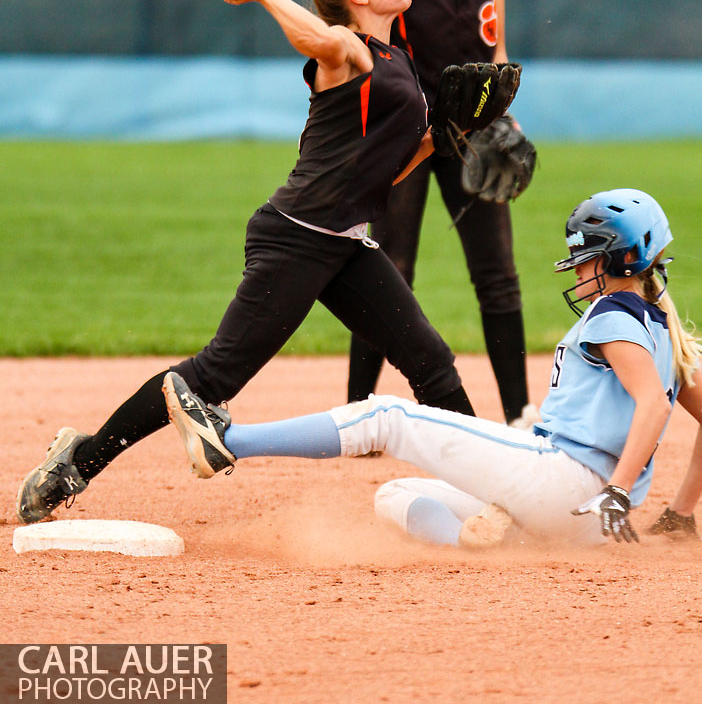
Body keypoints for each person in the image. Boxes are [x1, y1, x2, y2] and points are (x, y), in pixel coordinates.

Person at [16, 0, 487, 525]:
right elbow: (316, 36)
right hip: (295, 236)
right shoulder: (345, 47)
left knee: (432, 364)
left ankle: (493, 491)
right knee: (212, 377)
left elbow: (387, 170)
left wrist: (445, 138)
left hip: (343, 243)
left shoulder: (398, 61)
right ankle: (75, 465)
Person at [163, 188, 702, 548]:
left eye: (588, 255)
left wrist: (618, 489)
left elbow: (653, 403)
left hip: (568, 481)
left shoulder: (613, 314)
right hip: (584, 523)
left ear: (622, 258)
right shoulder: (666, 331)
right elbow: (668, 399)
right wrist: (678, 515)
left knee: (389, 419)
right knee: (394, 495)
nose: (578, 266)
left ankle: (229, 439)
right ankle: (483, 547)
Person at [347, 0, 537, 428]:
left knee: (497, 275)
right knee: (389, 270)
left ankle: (519, 414)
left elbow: (496, 48)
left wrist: (505, 109)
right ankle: (357, 410)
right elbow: (374, 44)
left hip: (472, 137)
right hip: (407, 134)